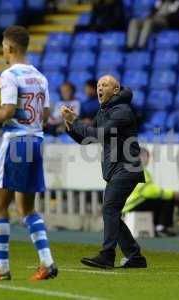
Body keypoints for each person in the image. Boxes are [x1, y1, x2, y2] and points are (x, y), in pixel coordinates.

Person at [0, 25, 57, 281]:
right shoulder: (41, 78)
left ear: (9, 47)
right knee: (27, 208)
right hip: (36, 141)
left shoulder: (9, 76)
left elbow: (7, 112)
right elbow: (47, 115)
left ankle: (2, 268)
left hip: (15, 141)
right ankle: (47, 262)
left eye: (4, 48)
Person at [61, 75, 147, 269]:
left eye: (105, 85)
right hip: (117, 168)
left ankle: (107, 255)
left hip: (126, 166)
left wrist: (75, 121)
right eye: (99, 85)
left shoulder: (122, 111)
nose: (100, 87)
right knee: (112, 212)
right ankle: (135, 256)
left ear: (115, 90)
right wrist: (69, 125)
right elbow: (87, 140)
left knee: (110, 209)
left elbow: (98, 134)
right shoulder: (105, 110)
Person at [122, 147, 179, 237]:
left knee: (157, 201)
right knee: (167, 200)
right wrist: (171, 194)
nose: (148, 160)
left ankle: (155, 226)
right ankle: (161, 227)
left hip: (126, 205)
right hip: (133, 204)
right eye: (147, 156)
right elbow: (149, 191)